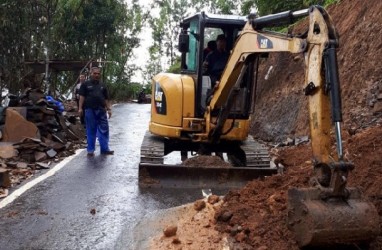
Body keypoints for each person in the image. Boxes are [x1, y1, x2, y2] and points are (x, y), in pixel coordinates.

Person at [78, 67, 114, 156]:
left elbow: (106, 99)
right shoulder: (85, 84)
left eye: (98, 73)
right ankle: (90, 150)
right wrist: (80, 108)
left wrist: (109, 109)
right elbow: (81, 97)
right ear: (91, 74)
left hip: (101, 110)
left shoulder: (103, 85)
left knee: (104, 129)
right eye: (95, 73)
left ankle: (105, 149)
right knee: (91, 129)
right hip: (89, 110)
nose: (96, 75)